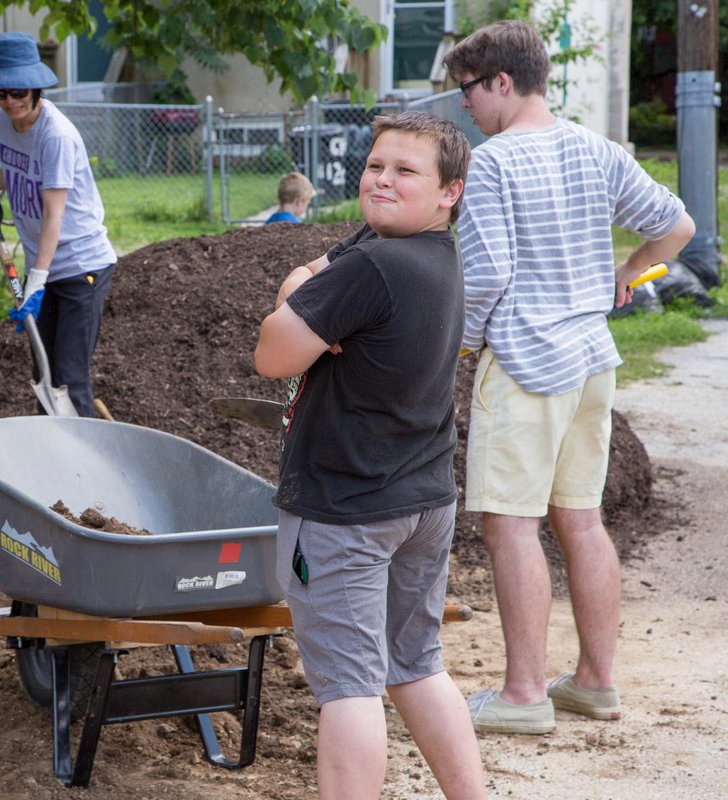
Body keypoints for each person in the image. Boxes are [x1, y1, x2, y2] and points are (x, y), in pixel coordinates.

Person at [443, 20, 696, 735]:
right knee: (581, 521)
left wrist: (454, 351)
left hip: (525, 363)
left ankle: (523, 695)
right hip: (590, 362)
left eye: (468, 89)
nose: (464, 106)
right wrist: (627, 275)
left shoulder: (493, 163)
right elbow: (676, 227)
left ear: (500, 82)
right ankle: (594, 682)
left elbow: (486, 275)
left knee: (511, 528)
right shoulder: (595, 146)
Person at [254, 111, 486, 800]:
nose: (382, 179)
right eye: (375, 165)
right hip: (423, 499)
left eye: (405, 171)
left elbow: (272, 353)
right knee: (415, 663)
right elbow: (303, 297)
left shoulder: (373, 266)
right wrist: (309, 300)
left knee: (348, 685)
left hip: (345, 510)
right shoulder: (431, 253)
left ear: (451, 191)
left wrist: (305, 300)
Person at [0, 32, 117, 418]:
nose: (10, 101)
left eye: (18, 92)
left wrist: (38, 278)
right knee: (42, 376)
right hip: (44, 270)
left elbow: (54, 214)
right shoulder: (6, 120)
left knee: (68, 380)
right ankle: (51, 461)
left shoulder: (56, 136)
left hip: (81, 268)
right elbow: (15, 166)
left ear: (34, 87)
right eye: (0, 93)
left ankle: (87, 469)